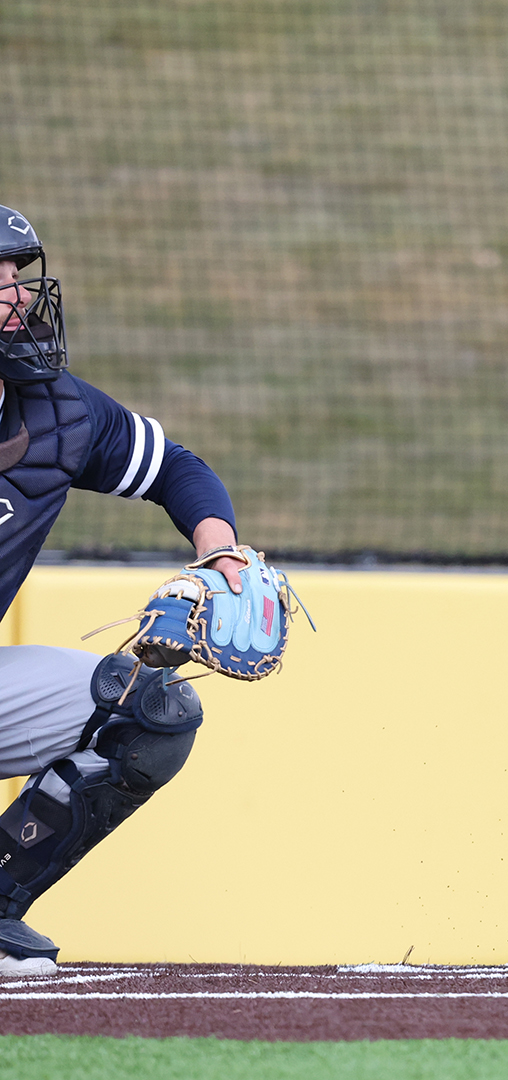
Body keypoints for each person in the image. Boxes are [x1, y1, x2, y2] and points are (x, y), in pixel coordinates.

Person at [0, 205, 252, 976]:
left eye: (17, 275)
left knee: (150, 712)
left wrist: (219, 551)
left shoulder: (57, 411)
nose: (16, 295)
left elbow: (176, 467)